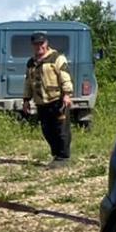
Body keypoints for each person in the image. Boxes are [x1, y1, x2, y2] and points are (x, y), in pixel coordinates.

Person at [22, 32, 74, 166]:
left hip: (57, 100)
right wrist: (26, 100)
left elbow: (65, 77)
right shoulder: (31, 62)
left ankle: (64, 157)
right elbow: (28, 82)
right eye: (36, 44)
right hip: (41, 103)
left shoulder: (57, 58)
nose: (39, 46)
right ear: (33, 45)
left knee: (61, 130)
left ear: (46, 43)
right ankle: (56, 155)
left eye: (41, 43)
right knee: (47, 131)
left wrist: (67, 94)